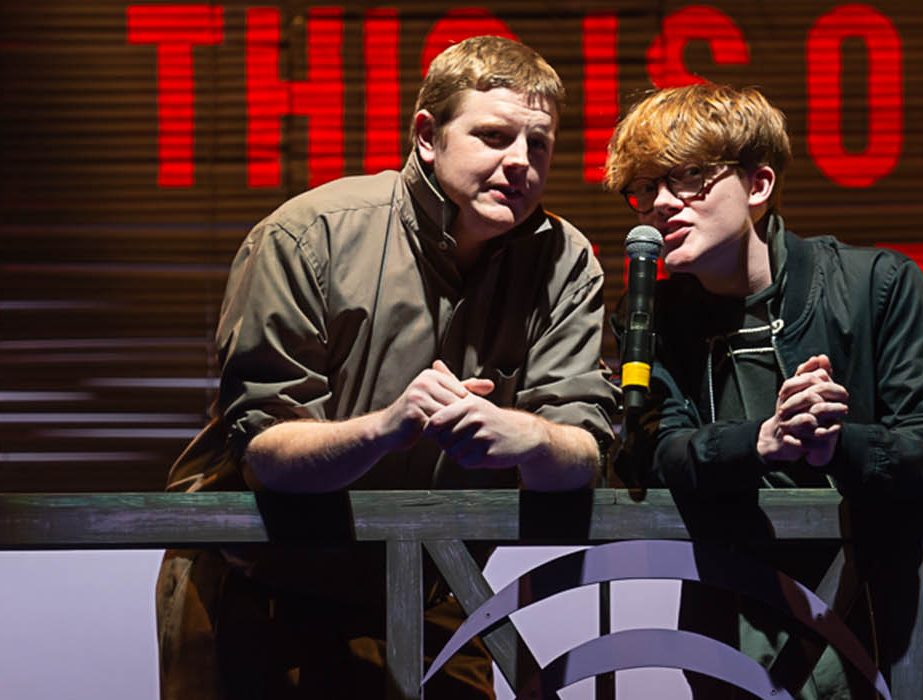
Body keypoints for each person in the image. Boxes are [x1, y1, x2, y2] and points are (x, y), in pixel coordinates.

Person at [156, 36, 619, 699]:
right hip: (257, 583)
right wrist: (390, 425)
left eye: (538, 144)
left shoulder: (566, 261)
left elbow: (582, 455)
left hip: (430, 581)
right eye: (492, 136)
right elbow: (268, 457)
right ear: (426, 136)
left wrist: (532, 438)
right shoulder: (307, 236)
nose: (520, 162)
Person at [604, 84, 923, 699]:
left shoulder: (878, 286)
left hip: (880, 635)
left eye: (689, 177)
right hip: (732, 640)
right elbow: (654, 455)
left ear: (758, 186)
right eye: (645, 188)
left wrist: (835, 445)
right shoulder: (653, 316)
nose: (661, 204)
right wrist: (761, 441)